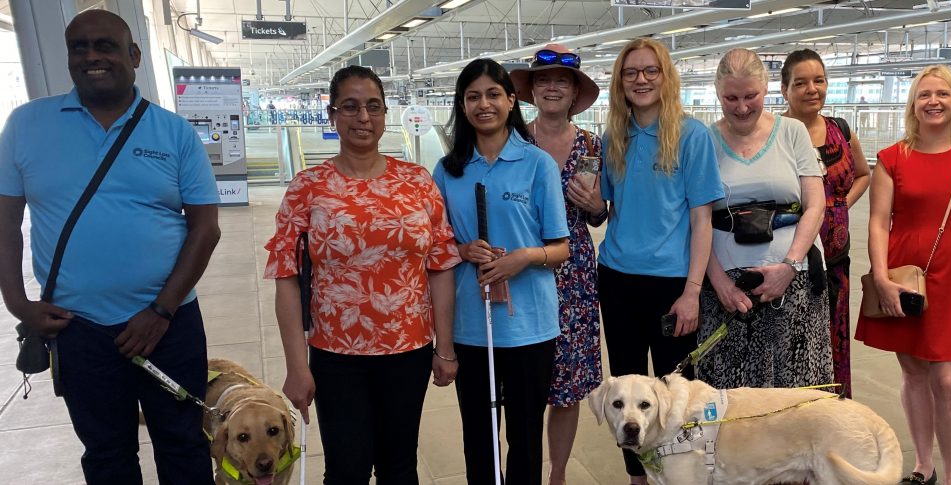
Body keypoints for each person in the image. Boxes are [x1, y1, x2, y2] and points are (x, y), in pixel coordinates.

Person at [0, 10, 221, 484]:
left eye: (105, 45)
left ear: (133, 55)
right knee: (106, 453)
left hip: (172, 325)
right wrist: (18, 303)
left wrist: (160, 311)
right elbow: (5, 221)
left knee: (183, 445)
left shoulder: (174, 132)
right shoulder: (25, 126)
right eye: (79, 47)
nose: (92, 56)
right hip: (78, 328)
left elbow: (205, 228)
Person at [265, 65, 460, 484]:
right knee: (347, 468)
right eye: (350, 107)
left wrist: (445, 347)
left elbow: (441, 266)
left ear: (386, 113)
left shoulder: (417, 182)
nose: (363, 118)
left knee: (399, 465)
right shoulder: (308, 187)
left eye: (373, 106)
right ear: (332, 115)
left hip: (408, 348)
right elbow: (286, 278)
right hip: (337, 355)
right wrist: (297, 367)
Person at [854, 64, 951, 485]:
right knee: (915, 372)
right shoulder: (892, 158)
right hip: (905, 276)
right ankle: (923, 465)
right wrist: (881, 278)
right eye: (924, 95)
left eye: (943, 94)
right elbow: (879, 222)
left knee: (950, 379)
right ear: (913, 104)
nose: (933, 101)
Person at [433, 58, 570, 485]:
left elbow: (561, 248)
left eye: (493, 94)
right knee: (478, 434)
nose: (484, 104)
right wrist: (462, 248)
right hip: (471, 325)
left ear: (512, 101)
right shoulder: (447, 170)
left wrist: (521, 258)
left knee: (525, 435)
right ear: (462, 105)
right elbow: (435, 247)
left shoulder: (537, 164)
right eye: (473, 96)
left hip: (529, 326)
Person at [594, 38, 723, 485]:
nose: (641, 79)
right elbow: (604, 207)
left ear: (665, 77)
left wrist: (692, 292)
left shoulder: (692, 136)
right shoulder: (614, 136)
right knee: (627, 394)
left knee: (675, 393)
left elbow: (702, 220)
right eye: (631, 72)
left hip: (671, 282)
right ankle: (637, 477)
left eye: (651, 71)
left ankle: (680, 474)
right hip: (616, 279)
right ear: (620, 81)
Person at [697, 48, 831, 389]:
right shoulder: (703, 142)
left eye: (750, 96)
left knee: (798, 387)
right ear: (717, 93)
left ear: (767, 88)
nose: (741, 107)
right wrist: (718, 282)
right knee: (729, 390)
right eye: (731, 98)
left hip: (793, 278)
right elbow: (696, 221)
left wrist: (790, 265)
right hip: (727, 287)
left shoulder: (793, 132)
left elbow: (815, 205)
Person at [509, 43, 604, 485]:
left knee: (567, 388)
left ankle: (558, 474)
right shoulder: (514, 141)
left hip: (576, 273)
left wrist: (597, 205)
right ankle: (521, 467)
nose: (551, 88)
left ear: (573, 92)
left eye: (560, 82)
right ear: (531, 90)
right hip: (524, 268)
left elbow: (600, 213)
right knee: (524, 384)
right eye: (543, 80)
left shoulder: (590, 144)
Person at [780, 48, 872, 395]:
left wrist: (838, 206)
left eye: (819, 80)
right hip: (792, 258)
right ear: (784, 88)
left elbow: (863, 174)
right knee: (795, 342)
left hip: (836, 259)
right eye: (800, 82)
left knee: (834, 338)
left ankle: (834, 410)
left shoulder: (840, 130)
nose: (812, 89)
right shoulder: (777, 133)